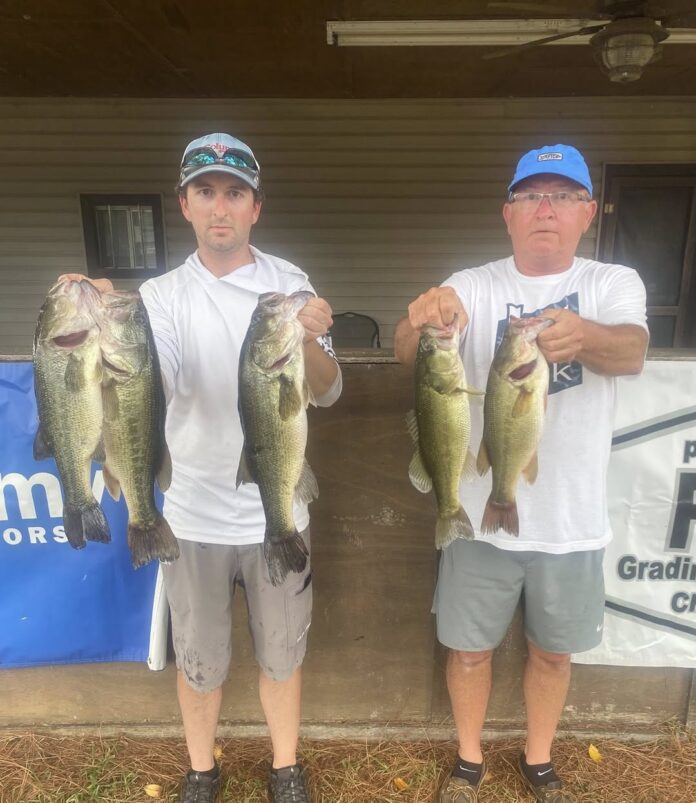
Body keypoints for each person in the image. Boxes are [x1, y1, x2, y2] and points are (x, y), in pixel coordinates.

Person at [63, 132, 341, 803]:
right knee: (198, 659)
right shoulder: (159, 296)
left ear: (256, 207)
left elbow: (328, 389)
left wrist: (309, 338)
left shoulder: (291, 284)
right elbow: (150, 378)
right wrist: (92, 320)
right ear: (184, 205)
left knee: (282, 653)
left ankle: (285, 768)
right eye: (206, 191)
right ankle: (200, 769)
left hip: (277, 508)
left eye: (235, 193)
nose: (221, 206)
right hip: (189, 514)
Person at [394, 144, 648, 803]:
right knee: (469, 650)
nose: (546, 208)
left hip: (572, 518)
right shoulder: (475, 283)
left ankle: (539, 760)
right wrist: (420, 320)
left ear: (587, 212)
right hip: (481, 513)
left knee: (554, 653)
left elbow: (633, 351)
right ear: (507, 213)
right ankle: (468, 760)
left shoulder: (612, 283)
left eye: (563, 196)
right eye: (531, 196)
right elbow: (406, 351)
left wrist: (585, 335)